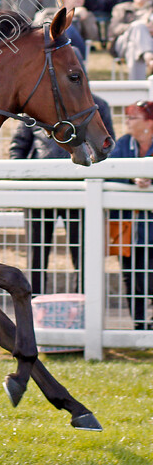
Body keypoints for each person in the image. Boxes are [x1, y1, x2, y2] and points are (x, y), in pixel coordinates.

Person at [9, 94, 114, 295]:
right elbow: (18, 146)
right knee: (36, 252)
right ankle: (34, 302)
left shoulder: (99, 105)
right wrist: (25, 182)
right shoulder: (38, 105)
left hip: (80, 192)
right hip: (40, 192)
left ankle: (83, 301)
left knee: (82, 252)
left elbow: (107, 145)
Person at [109, 100, 153, 330]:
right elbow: (110, 172)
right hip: (127, 227)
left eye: (133, 117)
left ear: (149, 122)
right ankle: (138, 325)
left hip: (150, 228)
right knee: (130, 275)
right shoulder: (124, 143)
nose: (127, 122)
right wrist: (131, 179)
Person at [34, 0, 99, 55]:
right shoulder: (47, 13)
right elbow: (35, 32)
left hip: (75, 49)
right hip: (46, 48)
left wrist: (85, 19)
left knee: (68, 28)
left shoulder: (85, 14)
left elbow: (93, 37)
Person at [110, 0, 153, 79]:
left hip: (142, 44)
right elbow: (114, 29)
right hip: (122, 43)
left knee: (133, 47)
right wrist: (136, 26)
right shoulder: (122, 8)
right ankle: (149, 58)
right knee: (138, 26)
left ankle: (137, 88)